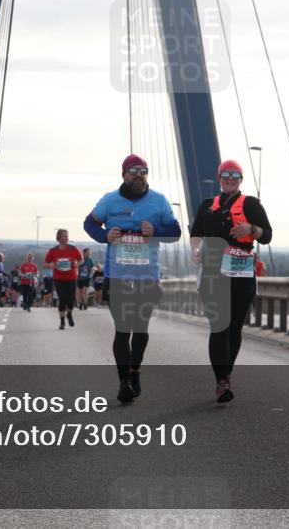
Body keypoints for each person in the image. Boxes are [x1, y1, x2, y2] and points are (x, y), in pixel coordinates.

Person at [84, 154, 181, 403]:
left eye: (143, 171)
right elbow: (89, 223)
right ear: (124, 174)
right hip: (117, 275)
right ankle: (124, 382)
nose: (139, 175)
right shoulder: (109, 200)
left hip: (147, 276)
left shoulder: (159, 201)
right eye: (133, 171)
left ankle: (134, 371)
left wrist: (156, 231)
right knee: (122, 329)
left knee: (140, 329)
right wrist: (105, 235)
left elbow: (175, 232)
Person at [190, 160, 272, 403]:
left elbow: (267, 235)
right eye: (225, 174)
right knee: (219, 326)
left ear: (241, 179)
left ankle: (227, 373)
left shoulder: (251, 204)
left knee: (234, 327)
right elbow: (196, 233)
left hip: (242, 274)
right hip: (213, 272)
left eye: (235, 175)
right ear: (219, 178)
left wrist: (252, 229)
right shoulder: (207, 205)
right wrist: (195, 249)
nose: (230, 178)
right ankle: (221, 382)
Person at [45, 230, 83, 329]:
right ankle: (62, 321)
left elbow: (81, 260)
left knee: (70, 301)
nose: (66, 238)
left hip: (71, 278)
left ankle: (69, 314)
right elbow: (45, 263)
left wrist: (77, 264)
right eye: (64, 236)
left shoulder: (73, 248)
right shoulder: (53, 251)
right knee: (62, 299)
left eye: (67, 236)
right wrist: (51, 265)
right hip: (59, 278)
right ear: (59, 238)